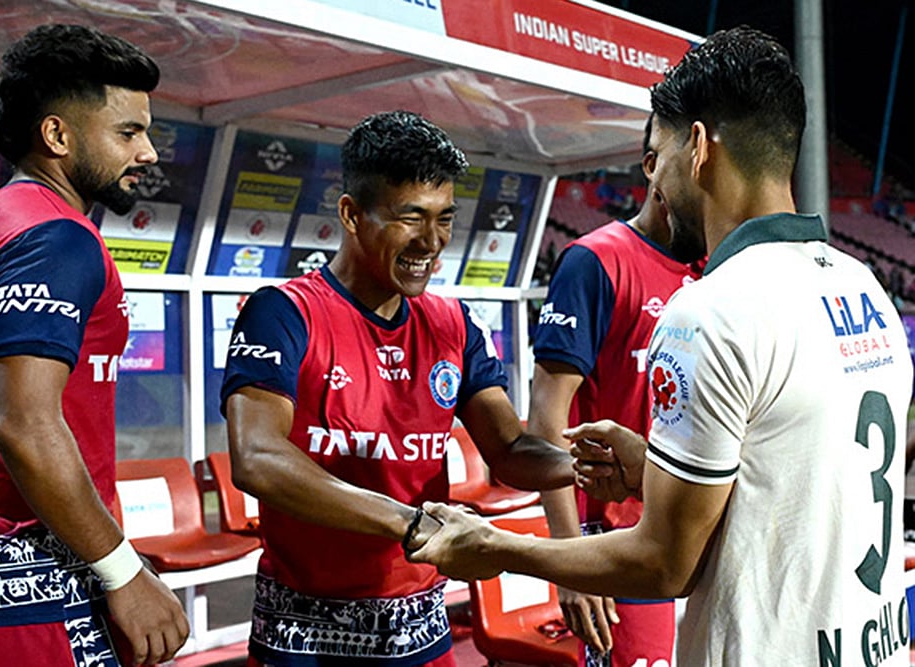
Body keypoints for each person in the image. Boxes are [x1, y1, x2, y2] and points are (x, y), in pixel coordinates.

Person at [411, 26, 914, 666]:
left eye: (662, 150)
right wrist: (656, 466)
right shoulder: (863, 285)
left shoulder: (710, 309)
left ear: (698, 147)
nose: (655, 174)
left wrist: (495, 546)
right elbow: (788, 487)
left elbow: (664, 562)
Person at [221, 110, 576, 667]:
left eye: (444, 219)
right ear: (351, 214)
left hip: (421, 630)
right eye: (410, 217)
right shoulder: (283, 313)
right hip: (304, 637)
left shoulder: (454, 324)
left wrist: (590, 463)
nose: (431, 242)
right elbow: (257, 458)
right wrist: (409, 522)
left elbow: (509, 452)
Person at [0, 24, 189, 666]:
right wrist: (123, 571)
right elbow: (24, 425)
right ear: (58, 136)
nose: (148, 153)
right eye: (128, 133)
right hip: (25, 577)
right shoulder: (56, 237)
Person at [529, 115, 701, 665]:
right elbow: (545, 417)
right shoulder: (594, 262)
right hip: (615, 541)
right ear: (653, 167)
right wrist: (570, 562)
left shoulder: (715, 271)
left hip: (694, 532)